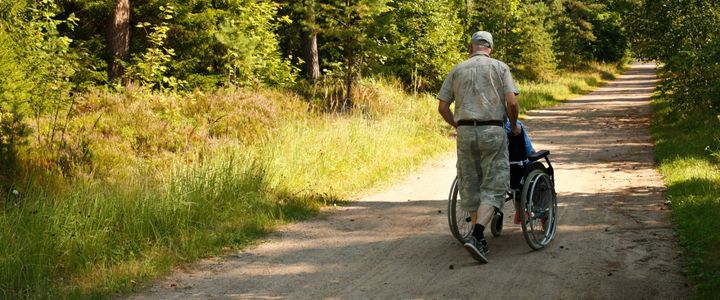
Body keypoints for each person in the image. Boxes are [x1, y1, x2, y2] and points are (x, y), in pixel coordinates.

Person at [437, 31, 521, 263]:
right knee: (494, 183)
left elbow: (443, 107)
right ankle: (476, 235)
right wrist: (513, 126)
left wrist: (458, 125)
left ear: (470, 47)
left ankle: (478, 234)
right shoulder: (500, 68)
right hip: (492, 130)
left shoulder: (457, 69)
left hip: (465, 132)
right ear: (490, 48)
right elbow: (512, 102)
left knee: (470, 183)